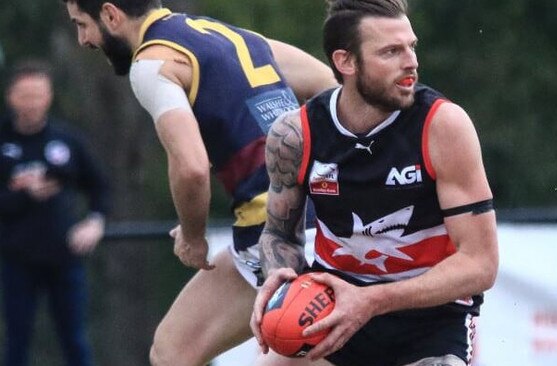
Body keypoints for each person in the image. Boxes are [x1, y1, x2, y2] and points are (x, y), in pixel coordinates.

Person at [61, 1, 337, 365]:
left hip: (277, 233)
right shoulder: (228, 36)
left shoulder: (151, 62)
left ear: (111, 15)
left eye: (83, 24)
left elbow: (191, 168)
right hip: (314, 219)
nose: (82, 40)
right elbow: (327, 84)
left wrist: (193, 236)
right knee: (172, 349)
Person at [250, 0, 499, 365]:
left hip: (430, 318)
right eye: (391, 52)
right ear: (345, 62)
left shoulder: (443, 126)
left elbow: (480, 264)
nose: (411, 61)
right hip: (331, 306)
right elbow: (279, 234)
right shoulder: (295, 133)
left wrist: (370, 301)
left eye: (411, 47)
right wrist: (278, 277)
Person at [0, 60, 109, 366]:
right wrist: (20, 193)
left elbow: (100, 187)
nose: (32, 103)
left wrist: (94, 222)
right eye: (25, 95)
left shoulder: (68, 140)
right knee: (17, 340)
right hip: (16, 259)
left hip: (65, 257)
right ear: (11, 96)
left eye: (38, 95)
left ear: (48, 96)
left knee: (74, 339)